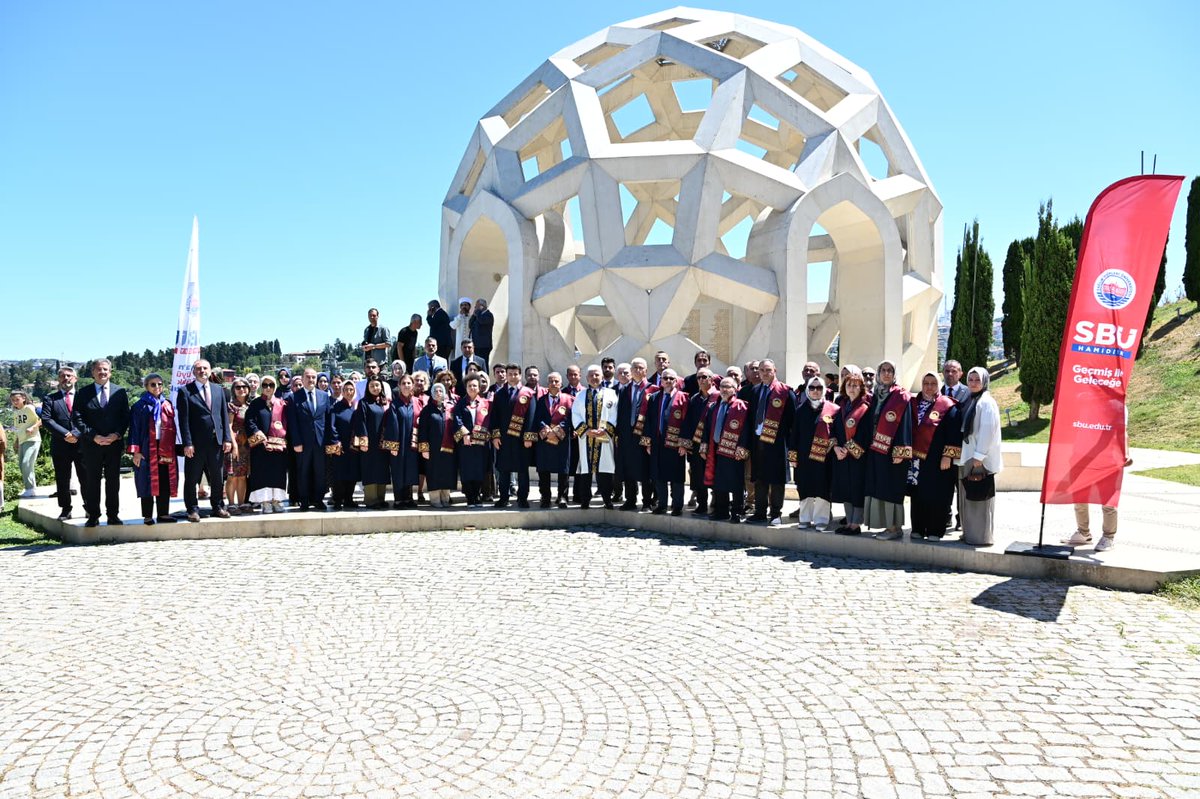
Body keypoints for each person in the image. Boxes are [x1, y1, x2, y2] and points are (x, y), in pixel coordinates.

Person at [72, 359, 130, 527]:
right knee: (92, 481)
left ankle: (113, 515)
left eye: (105, 369)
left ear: (110, 372)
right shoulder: (83, 393)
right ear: (93, 372)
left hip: (114, 444)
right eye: (99, 369)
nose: (102, 372)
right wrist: (93, 436)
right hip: (92, 445)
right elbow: (77, 417)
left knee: (113, 481)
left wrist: (117, 434)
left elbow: (125, 416)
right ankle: (93, 515)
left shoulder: (120, 392)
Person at [907, 372, 962, 541]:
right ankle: (917, 527)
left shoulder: (948, 406)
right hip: (917, 459)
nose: (929, 386)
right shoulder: (913, 404)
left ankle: (935, 530)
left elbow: (954, 434)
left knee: (937, 495)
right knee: (918, 494)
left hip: (938, 460)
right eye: (926, 383)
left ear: (939, 385)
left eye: (933, 383)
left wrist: (948, 456)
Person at [177, 359, 232, 522]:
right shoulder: (185, 391)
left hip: (216, 442)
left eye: (205, 368)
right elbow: (183, 420)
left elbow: (223, 415)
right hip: (195, 444)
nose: (202, 371)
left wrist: (227, 438)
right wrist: (187, 443)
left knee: (217, 477)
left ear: (210, 371)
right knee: (192, 478)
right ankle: (192, 509)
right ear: (194, 372)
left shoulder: (218, 390)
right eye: (199, 369)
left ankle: (218, 506)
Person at [864, 360, 912, 540]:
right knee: (880, 486)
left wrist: (900, 452)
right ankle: (887, 526)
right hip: (876, 449)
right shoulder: (875, 394)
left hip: (893, 452)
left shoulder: (901, 396)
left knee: (892, 487)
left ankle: (894, 528)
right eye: (883, 370)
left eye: (890, 370)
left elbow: (905, 425)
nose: (886, 373)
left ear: (894, 374)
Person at [956, 366, 1002, 546]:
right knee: (969, 497)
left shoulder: (986, 402)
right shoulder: (972, 400)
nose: (973, 383)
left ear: (984, 381)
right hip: (968, 455)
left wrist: (979, 455)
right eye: (971, 379)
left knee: (980, 498)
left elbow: (987, 430)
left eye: (977, 380)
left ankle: (980, 537)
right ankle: (969, 533)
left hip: (979, 458)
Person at [695, 377, 751, 522]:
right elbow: (706, 428)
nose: (724, 390)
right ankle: (722, 511)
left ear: (735, 389)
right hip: (715, 450)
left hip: (734, 452)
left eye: (728, 387)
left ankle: (737, 512)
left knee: (736, 483)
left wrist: (742, 448)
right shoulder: (714, 406)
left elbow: (746, 430)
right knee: (719, 483)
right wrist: (704, 446)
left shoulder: (742, 407)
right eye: (722, 387)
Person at [636, 368, 690, 515]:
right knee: (658, 475)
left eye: (671, 378)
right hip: (657, 442)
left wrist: (684, 444)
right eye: (665, 378)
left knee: (676, 476)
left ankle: (677, 506)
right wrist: (647, 442)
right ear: (661, 380)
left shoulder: (684, 398)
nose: (667, 381)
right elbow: (648, 420)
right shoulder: (654, 397)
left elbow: (687, 423)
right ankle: (662, 504)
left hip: (675, 444)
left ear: (676, 381)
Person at [128, 373, 179, 525]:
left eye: (159, 384)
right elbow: (134, 429)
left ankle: (163, 514)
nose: (157, 387)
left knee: (164, 481)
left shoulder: (167, 404)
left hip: (165, 446)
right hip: (146, 447)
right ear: (146, 387)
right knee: (146, 481)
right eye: (153, 384)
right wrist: (136, 451)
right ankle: (148, 515)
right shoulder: (140, 405)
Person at [747, 359, 794, 526]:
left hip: (777, 443)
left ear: (775, 370)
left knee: (777, 480)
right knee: (760, 478)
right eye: (761, 370)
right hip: (758, 441)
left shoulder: (785, 392)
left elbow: (792, 421)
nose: (764, 373)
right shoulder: (754, 391)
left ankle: (775, 514)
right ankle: (760, 512)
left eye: (768, 370)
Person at [791, 376, 838, 530]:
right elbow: (794, 436)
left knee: (822, 488)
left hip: (825, 458)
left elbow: (836, 435)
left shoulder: (833, 410)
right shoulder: (800, 410)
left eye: (819, 388)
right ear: (807, 390)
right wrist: (792, 457)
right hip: (804, 457)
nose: (815, 391)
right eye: (812, 388)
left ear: (824, 390)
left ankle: (821, 519)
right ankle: (804, 518)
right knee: (804, 487)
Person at [40, 365, 85, 520]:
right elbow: (46, 419)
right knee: (62, 479)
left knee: (86, 477)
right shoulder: (50, 398)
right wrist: (66, 434)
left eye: (69, 375)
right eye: (62, 376)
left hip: (82, 444)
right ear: (58, 379)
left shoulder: (83, 397)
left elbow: (88, 418)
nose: (66, 378)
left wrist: (76, 434)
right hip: (60, 444)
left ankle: (89, 507)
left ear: (75, 379)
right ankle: (66, 509)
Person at [831, 366, 872, 535]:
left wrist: (848, 449)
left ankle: (856, 524)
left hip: (858, 456)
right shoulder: (840, 404)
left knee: (856, 489)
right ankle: (848, 522)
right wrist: (836, 447)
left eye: (856, 385)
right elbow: (832, 428)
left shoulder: (866, 406)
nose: (852, 388)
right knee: (845, 489)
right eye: (849, 385)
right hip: (841, 454)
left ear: (861, 387)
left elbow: (866, 433)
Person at [287, 367, 335, 511]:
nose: (311, 379)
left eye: (314, 377)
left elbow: (328, 420)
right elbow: (292, 423)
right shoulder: (294, 397)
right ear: (302, 379)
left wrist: (329, 441)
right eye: (308, 377)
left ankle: (318, 499)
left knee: (319, 472)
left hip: (320, 442)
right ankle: (304, 500)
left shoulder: (324, 396)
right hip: (302, 443)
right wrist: (296, 441)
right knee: (303, 471)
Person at [572, 364, 618, 508]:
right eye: (591, 375)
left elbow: (614, 414)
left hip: (604, 437)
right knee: (585, 470)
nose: (594, 377)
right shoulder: (580, 395)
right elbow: (575, 415)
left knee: (605, 469)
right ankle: (585, 500)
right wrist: (586, 430)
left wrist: (605, 429)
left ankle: (607, 499)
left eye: (597, 375)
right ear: (586, 378)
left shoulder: (611, 394)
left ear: (602, 376)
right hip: (586, 438)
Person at [490, 363, 535, 508]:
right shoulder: (499, 394)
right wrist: (495, 436)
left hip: (521, 440)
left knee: (522, 470)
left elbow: (531, 417)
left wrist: (528, 438)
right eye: (510, 374)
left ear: (520, 375)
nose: (512, 377)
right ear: (506, 376)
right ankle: (503, 497)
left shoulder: (528, 393)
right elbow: (494, 417)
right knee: (504, 469)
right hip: (504, 439)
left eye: (515, 374)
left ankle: (522, 498)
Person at [616, 357, 656, 510]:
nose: (638, 370)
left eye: (641, 368)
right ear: (631, 371)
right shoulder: (624, 390)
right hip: (627, 436)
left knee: (645, 469)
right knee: (628, 469)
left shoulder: (653, 390)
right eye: (635, 368)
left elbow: (653, 416)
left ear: (646, 371)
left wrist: (650, 436)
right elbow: (620, 414)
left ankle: (647, 501)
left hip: (644, 436)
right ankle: (630, 500)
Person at [245, 376, 289, 513]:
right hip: (261, 446)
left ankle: (276, 501)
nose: (268, 388)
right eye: (265, 385)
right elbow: (249, 421)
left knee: (278, 474)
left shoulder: (282, 404)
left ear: (275, 386)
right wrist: (259, 434)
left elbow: (287, 422)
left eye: (271, 385)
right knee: (262, 474)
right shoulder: (255, 404)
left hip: (278, 447)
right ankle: (265, 502)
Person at [352, 376, 396, 510]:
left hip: (383, 443)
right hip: (369, 444)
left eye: (377, 385)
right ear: (368, 388)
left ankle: (381, 499)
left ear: (381, 387)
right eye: (372, 386)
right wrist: (363, 442)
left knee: (382, 470)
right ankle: (371, 500)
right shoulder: (364, 403)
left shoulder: (386, 402)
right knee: (370, 470)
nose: (375, 388)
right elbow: (360, 423)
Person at [680, 368, 718, 516]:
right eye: (699, 377)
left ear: (712, 379)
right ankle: (702, 505)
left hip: (713, 444)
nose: (701, 380)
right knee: (698, 476)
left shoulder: (718, 397)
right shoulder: (694, 399)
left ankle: (717, 505)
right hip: (696, 445)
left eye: (704, 377)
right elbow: (688, 422)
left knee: (715, 475)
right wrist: (684, 443)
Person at [532, 372, 573, 508]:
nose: (554, 384)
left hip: (562, 440)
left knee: (563, 470)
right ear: (547, 383)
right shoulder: (540, 400)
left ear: (561, 383)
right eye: (551, 381)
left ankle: (562, 496)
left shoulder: (569, 399)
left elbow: (570, 419)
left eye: (556, 381)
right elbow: (537, 418)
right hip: (544, 440)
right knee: (543, 469)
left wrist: (557, 431)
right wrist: (546, 431)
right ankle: (545, 497)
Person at [452, 374, 491, 508]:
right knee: (467, 470)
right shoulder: (461, 404)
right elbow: (457, 419)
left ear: (479, 388)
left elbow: (491, 421)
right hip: (466, 443)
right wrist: (465, 434)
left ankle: (477, 495)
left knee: (479, 469)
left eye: (475, 385)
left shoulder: (486, 403)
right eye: (469, 386)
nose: (472, 388)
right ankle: (470, 497)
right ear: (466, 388)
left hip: (482, 444)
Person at [418, 383, 457, 508]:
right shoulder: (427, 410)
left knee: (447, 472)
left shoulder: (450, 408)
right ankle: (435, 500)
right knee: (433, 472)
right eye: (436, 390)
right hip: (433, 449)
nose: (438, 392)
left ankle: (445, 498)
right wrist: (424, 449)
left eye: (441, 390)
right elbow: (422, 431)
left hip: (448, 448)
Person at [389, 374, 423, 508]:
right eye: (403, 383)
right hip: (399, 442)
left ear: (413, 385)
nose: (406, 386)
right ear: (399, 386)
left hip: (413, 442)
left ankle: (409, 498)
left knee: (410, 469)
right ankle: (399, 499)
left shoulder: (416, 402)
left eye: (409, 383)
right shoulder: (395, 404)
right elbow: (392, 425)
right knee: (398, 470)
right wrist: (393, 445)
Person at [328, 379, 361, 510]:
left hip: (353, 447)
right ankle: (337, 500)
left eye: (351, 389)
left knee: (352, 474)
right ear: (342, 391)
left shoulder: (356, 407)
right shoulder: (336, 407)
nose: (349, 392)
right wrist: (336, 441)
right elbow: (332, 426)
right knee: (339, 475)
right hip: (340, 447)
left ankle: (349, 499)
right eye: (346, 389)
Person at [225, 377, 253, 514]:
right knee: (232, 475)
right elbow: (229, 427)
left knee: (242, 475)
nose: (241, 389)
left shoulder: (250, 406)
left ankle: (241, 503)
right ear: (233, 390)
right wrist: (234, 445)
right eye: (238, 387)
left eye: (244, 387)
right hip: (235, 444)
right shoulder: (231, 406)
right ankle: (231, 504)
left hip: (246, 445)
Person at [9, 390, 41, 498]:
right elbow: (18, 429)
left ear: (23, 398)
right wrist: (16, 441)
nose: (15, 402)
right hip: (22, 440)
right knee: (23, 465)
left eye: (17, 399)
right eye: (13, 400)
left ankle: (29, 488)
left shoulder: (29, 408)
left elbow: (41, 419)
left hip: (32, 439)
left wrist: (33, 427)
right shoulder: (15, 412)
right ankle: (32, 488)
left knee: (26, 463)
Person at [469, 298, 495, 367]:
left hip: (484, 345)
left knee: (483, 364)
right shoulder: (478, 315)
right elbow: (470, 325)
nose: (475, 308)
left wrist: (477, 313)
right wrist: (474, 315)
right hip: (476, 345)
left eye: (476, 306)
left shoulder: (488, 315)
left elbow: (482, 321)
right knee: (477, 364)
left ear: (481, 306)